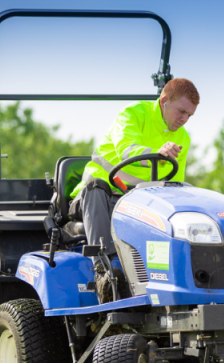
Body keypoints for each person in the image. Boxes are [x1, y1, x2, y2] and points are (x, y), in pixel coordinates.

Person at [69, 78, 200, 259]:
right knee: (95, 186)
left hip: (134, 203)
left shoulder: (183, 137)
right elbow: (126, 150)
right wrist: (157, 154)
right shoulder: (132, 114)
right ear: (164, 102)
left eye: (189, 115)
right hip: (98, 199)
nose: (185, 119)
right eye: (182, 111)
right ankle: (103, 267)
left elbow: (175, 184)